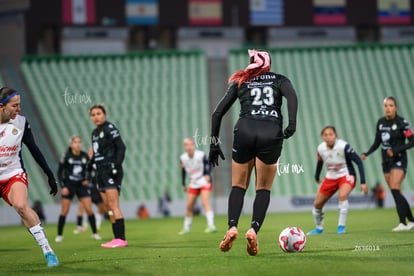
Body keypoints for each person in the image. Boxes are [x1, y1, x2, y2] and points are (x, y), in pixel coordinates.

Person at [209, 49, 298, 256]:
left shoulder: (241, 81)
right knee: (263, 188)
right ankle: (253, 229)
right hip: (271, 132)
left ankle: (232, 227)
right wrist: (292, 123)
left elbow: (217, 113)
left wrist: (214, 144)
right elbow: (292, 96)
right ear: (269, 65)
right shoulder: (279, 79)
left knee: (238, 185)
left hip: (245, 131)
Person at [0, 87, 59, 266]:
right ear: (1, 106)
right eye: (15, 105)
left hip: (13, 173)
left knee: (21, 206)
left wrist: (49, 173)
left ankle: (48, 251)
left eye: (20, 105)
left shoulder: (21, 123)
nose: (19, 109)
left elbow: (34, 149)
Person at [361, 96, 414, 231]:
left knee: (395, 188)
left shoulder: (402, 123)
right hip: (386, 162)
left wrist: (396, 150)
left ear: (396, 108)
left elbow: (412, 141)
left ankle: (407, 222)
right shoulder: (381, 122)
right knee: (396, 192)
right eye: (386, 105)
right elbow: (377, 142)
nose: (388, 108)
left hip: (399, 160)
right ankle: (407, 221)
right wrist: (367, 153)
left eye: (391, 105)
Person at [307, 126, 368, 235]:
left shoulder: (343, 146)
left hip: (346, 175)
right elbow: (320, 163)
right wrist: (316, 176)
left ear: (336, 135)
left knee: (342, 196)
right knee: (317, 204)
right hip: (330, 177)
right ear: (322, 137)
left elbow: (359, 161)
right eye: (325, 135)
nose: (328, 137)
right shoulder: (320, 148)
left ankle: (341, 227)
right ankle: (319, 228)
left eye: (331, 134)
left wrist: (363, 182)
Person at [89, 104, 127, 247]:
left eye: (99, 113)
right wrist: (90, 163)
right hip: (100, 172)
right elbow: (96, 152)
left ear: (104, 114)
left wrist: (116, 165)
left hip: (111, 170)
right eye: (93, 115)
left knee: (113, 204)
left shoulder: (110, 129)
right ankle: (115, 238)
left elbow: (121, 147)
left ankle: (121, 239)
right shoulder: (94, 133)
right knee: (107, 207)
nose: (96, 117)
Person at [55, 135, 101, 242]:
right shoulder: (66, 156)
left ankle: (95, 233)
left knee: (89, 209)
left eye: (79, 142)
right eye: (75, 142)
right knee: (64, 211)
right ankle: (59, 235)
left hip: (81, 186)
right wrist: (63, 186)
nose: (78, 144)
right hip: (69, 186)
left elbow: (90, 170)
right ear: (71, 144)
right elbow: (59, 172)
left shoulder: (84, 156)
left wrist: (87, 179)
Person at [179, 138, 217, 234]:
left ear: (194, 145)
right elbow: (183, 171)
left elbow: (209, 164)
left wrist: (208, 174)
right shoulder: (183, 158)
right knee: (189, 205)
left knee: (204, 202)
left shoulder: (200, 155)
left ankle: (211, 225)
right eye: (187, 145)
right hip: (194, 182)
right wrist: (183, 184)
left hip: (204, 181)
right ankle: (186, 228)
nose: (189, 147)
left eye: (191, 144)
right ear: (184, 147)